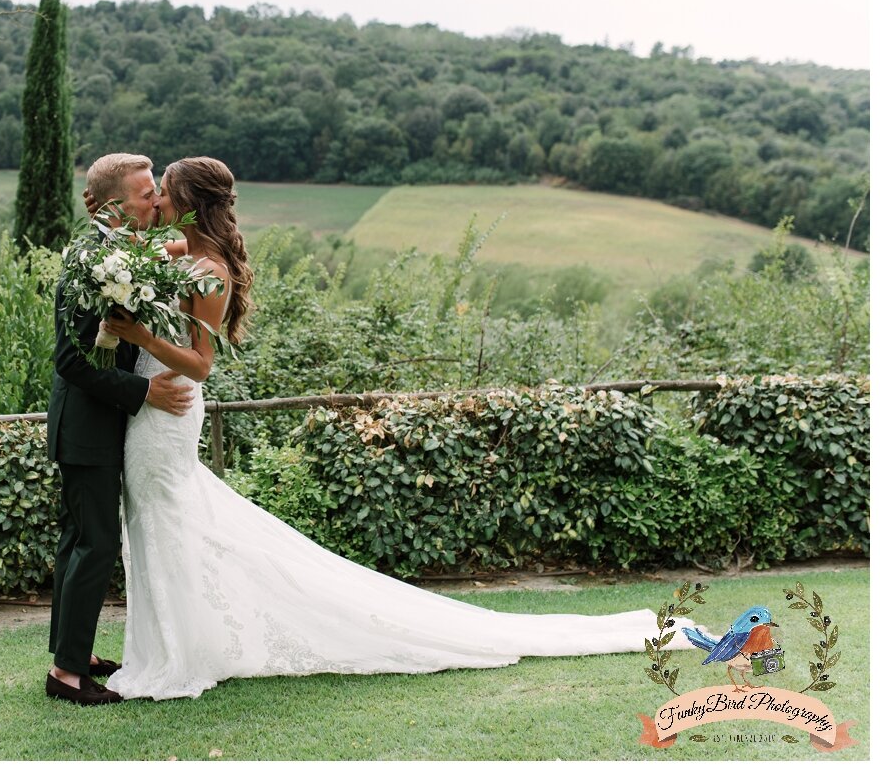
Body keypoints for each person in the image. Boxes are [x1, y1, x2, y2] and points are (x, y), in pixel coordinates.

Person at [94, 156, 707, 701]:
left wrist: (140, 336)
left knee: (167, 522)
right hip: (151, 412)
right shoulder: (181, 254)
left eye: (165, 193)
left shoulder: (212, 272)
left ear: (189, 203)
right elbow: (128, 259)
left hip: (170, 409)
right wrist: (107, 253)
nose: (158, 203)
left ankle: (177, 658)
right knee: (160, 525)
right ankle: (177, 646)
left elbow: (201, 364)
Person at [44, 152, 194, 706]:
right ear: (113, 205)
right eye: (146, 191)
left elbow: (171, 251)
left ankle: (73, 655)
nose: (155, 199)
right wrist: (144, 391)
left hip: (93, 424)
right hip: (87, 426)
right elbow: (71, 360)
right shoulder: (92, 259)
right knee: (96, 543)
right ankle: (65, 676)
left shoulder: (113, 247)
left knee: (79, 541)